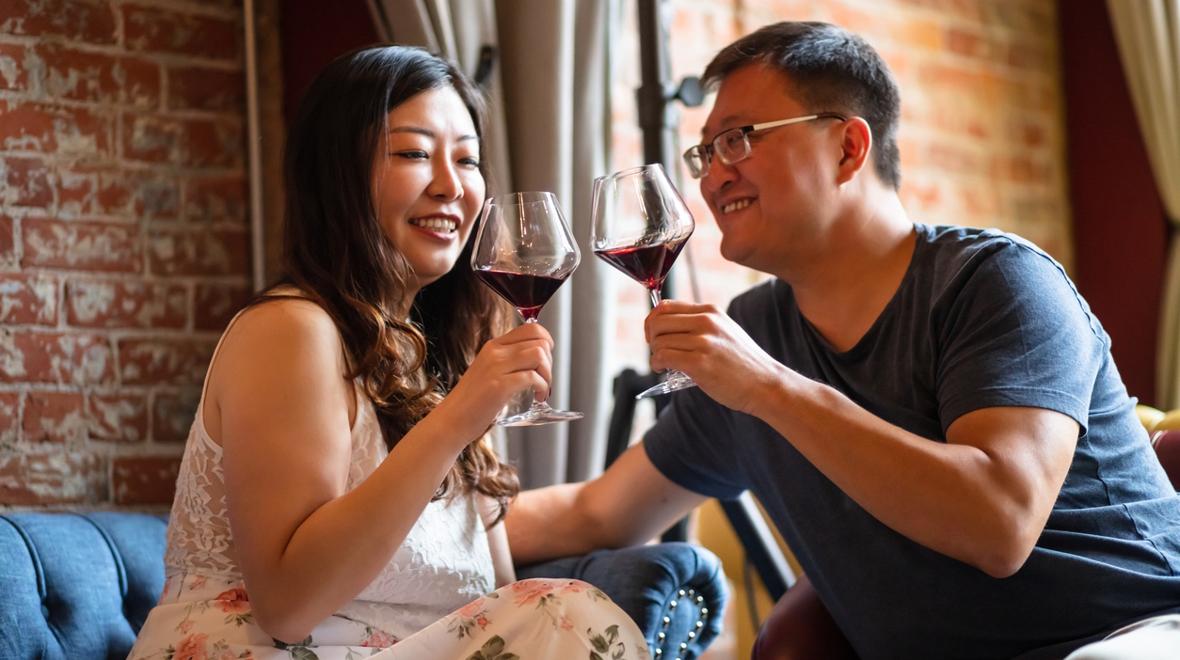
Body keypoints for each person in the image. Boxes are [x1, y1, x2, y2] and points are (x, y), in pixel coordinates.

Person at [506, 21, 1180, 660]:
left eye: (738, 139)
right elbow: (597, 513)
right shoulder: (756, 334)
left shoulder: (996, 282)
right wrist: (447, 506)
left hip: (1132, 633)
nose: (711, 177)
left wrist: (767, 387)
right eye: (705, 152)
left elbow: (999, 523)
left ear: (849, 148)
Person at [129, 45, 648, 660]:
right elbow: (288, 606)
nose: (451, 186)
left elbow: (499, 602)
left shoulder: (443, 357)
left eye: (467, 160)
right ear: (338, 175)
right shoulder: (291, 330)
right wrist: (458, 417)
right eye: (414, 154)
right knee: (567, 614)